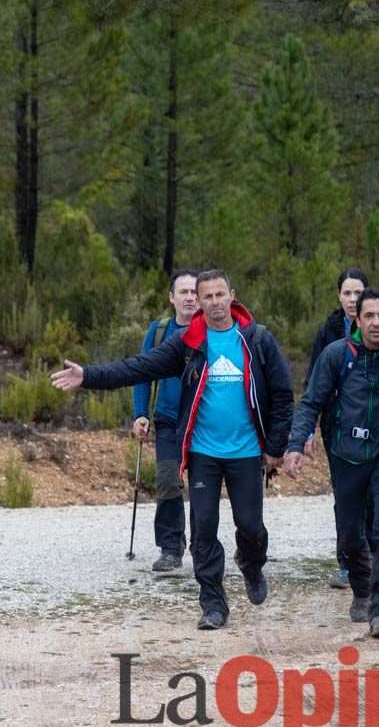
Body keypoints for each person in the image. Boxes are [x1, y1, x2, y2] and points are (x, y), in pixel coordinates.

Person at [51, 270, 293, 631]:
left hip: (246, 452)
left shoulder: (257, 340)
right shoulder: (188, 342)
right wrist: (89, 376)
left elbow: (282, 394)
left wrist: (275, 446)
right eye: (206, 296)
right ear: (198, 299)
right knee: (204, 527)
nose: (213, 303)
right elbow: (138, 367)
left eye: (219, 295)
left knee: (251, 525)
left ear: (232, 296)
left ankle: (251, 562)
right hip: (203, 453)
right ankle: (213, 603)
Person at [284, 288, 379, 639]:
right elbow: (311, 402)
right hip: (346, 454)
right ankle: (361, 588)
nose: (376, 323)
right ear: (357, 319)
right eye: (369, 316)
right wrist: (295, 445)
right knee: (350, 535)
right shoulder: (336, 355)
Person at [304, 268, 369, 590]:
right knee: (346, 494)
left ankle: (375, 557)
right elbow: (313, 383)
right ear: (338, 296)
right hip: (336, 425)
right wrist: (306, 431)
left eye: (358, 293)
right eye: (347, 293)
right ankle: (347, 563)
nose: (353, 300)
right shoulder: (328, 330)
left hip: (376, 426)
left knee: (374, 491)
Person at [131, 269, 199, 572]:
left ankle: (203, 546)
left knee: (202, 486)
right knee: (169, 483)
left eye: (194, 292)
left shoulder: (213, 331)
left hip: (203, 423)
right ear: (171, 297)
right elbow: (140, 373)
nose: (189, 297)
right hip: (169, 421)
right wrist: (140, 413)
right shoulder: (159, 332)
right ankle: (171, 548)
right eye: (183, 292)